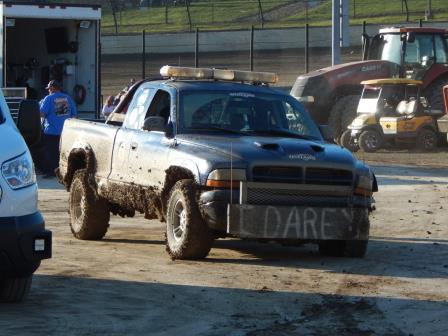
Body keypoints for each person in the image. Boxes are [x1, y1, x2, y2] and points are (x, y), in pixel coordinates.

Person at [40, 80, 77, 178]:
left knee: (50, 153)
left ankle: (51, 172)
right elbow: (74, 116)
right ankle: (62, 172)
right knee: (62, 153)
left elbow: (42, 113)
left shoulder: (48, 98)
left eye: (49, 89)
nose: (48, 91)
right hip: (65, 132)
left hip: (51, 132)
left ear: (52, 88)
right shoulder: (67, 98)